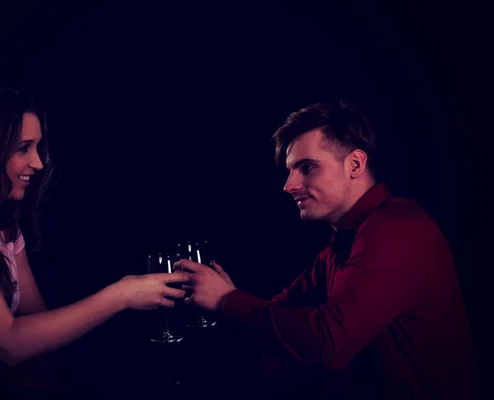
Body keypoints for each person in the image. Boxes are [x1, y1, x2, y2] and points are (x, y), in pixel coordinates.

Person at [0, 86, 189, 400]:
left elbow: (34, 321)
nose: (38, 162)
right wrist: (122, 294)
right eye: (24, 148)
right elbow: (9, 343)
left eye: (37, 147)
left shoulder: (1, 224)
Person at [178, 100, 476, 399]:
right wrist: (222, 297)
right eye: (290, 171)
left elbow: (328, 343)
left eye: (307, 167)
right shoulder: (344, 241)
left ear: (355, 164)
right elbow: (280, 312)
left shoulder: (397, 229)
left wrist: (226, 300)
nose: (288, 185)